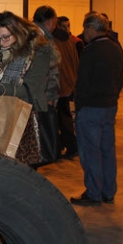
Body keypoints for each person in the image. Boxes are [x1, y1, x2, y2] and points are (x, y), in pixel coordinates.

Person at [0, 11, 56, 167]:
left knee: (22, 170)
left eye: (6, 37)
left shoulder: (39, 51)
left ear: (18, 32)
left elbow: (29, 89)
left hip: (26, 117)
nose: (1, 43)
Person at [70, 12, 123, 207]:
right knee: (107, 151)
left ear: (91, 28)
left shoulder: (90, 51)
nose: (84, 33)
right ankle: (108, 192)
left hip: (91, 108)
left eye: (85, 29)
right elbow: (119, 78)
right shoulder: (116, 48)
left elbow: (83, 82)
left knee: (91, 152)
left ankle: (93, 192)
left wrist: (79, 105)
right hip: (110, 106)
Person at [31, 6, 62, 165]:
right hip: (38, 98)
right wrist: (50, 97)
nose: (55, 26)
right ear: (49, 22)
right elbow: (49, 72)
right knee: (40, 141)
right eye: (55, 22)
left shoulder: (26, 35)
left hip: (28, 96)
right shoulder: (42, 40)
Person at [52, 18, 79, 158]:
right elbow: (76, 62)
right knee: (65, 117)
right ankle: (71, 146)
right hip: (67, 84)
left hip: (57, 86)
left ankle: (59, 148)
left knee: (58, 119)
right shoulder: (70, 41)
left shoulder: (53, 42)